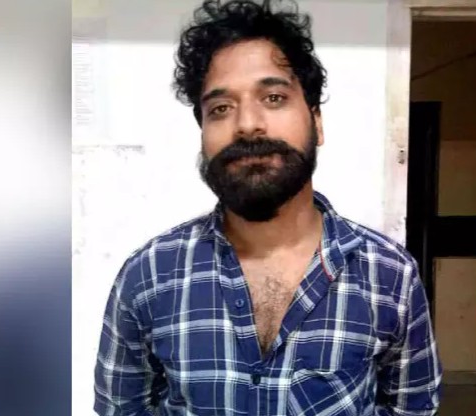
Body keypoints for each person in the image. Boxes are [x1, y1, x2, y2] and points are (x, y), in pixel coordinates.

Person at [93, 0, 442, 414]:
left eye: (273, 97)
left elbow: (412, 408)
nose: (247, 124)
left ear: (317, 122)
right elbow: (121, 409)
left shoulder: (390, 274)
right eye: (220, 109)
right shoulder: (149, 274)